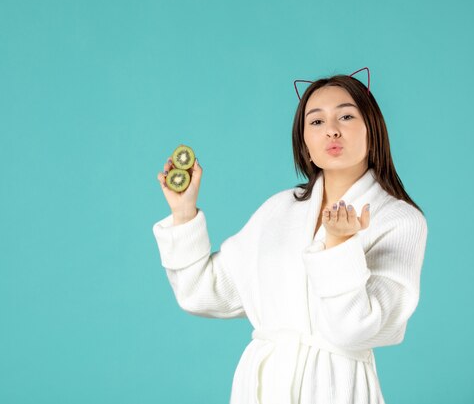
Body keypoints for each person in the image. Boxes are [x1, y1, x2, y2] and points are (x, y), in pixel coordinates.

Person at [151, 67, 428, 404]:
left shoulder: (399, 220)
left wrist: (339, 245)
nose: (332, 131)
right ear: (305, 142)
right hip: (262, 387)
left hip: (335, 387)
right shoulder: (279, 209)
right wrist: (184, 214)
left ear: (373, 130)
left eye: (346, 116)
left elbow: (358, 330)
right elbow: (202, 292)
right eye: (316, 122)